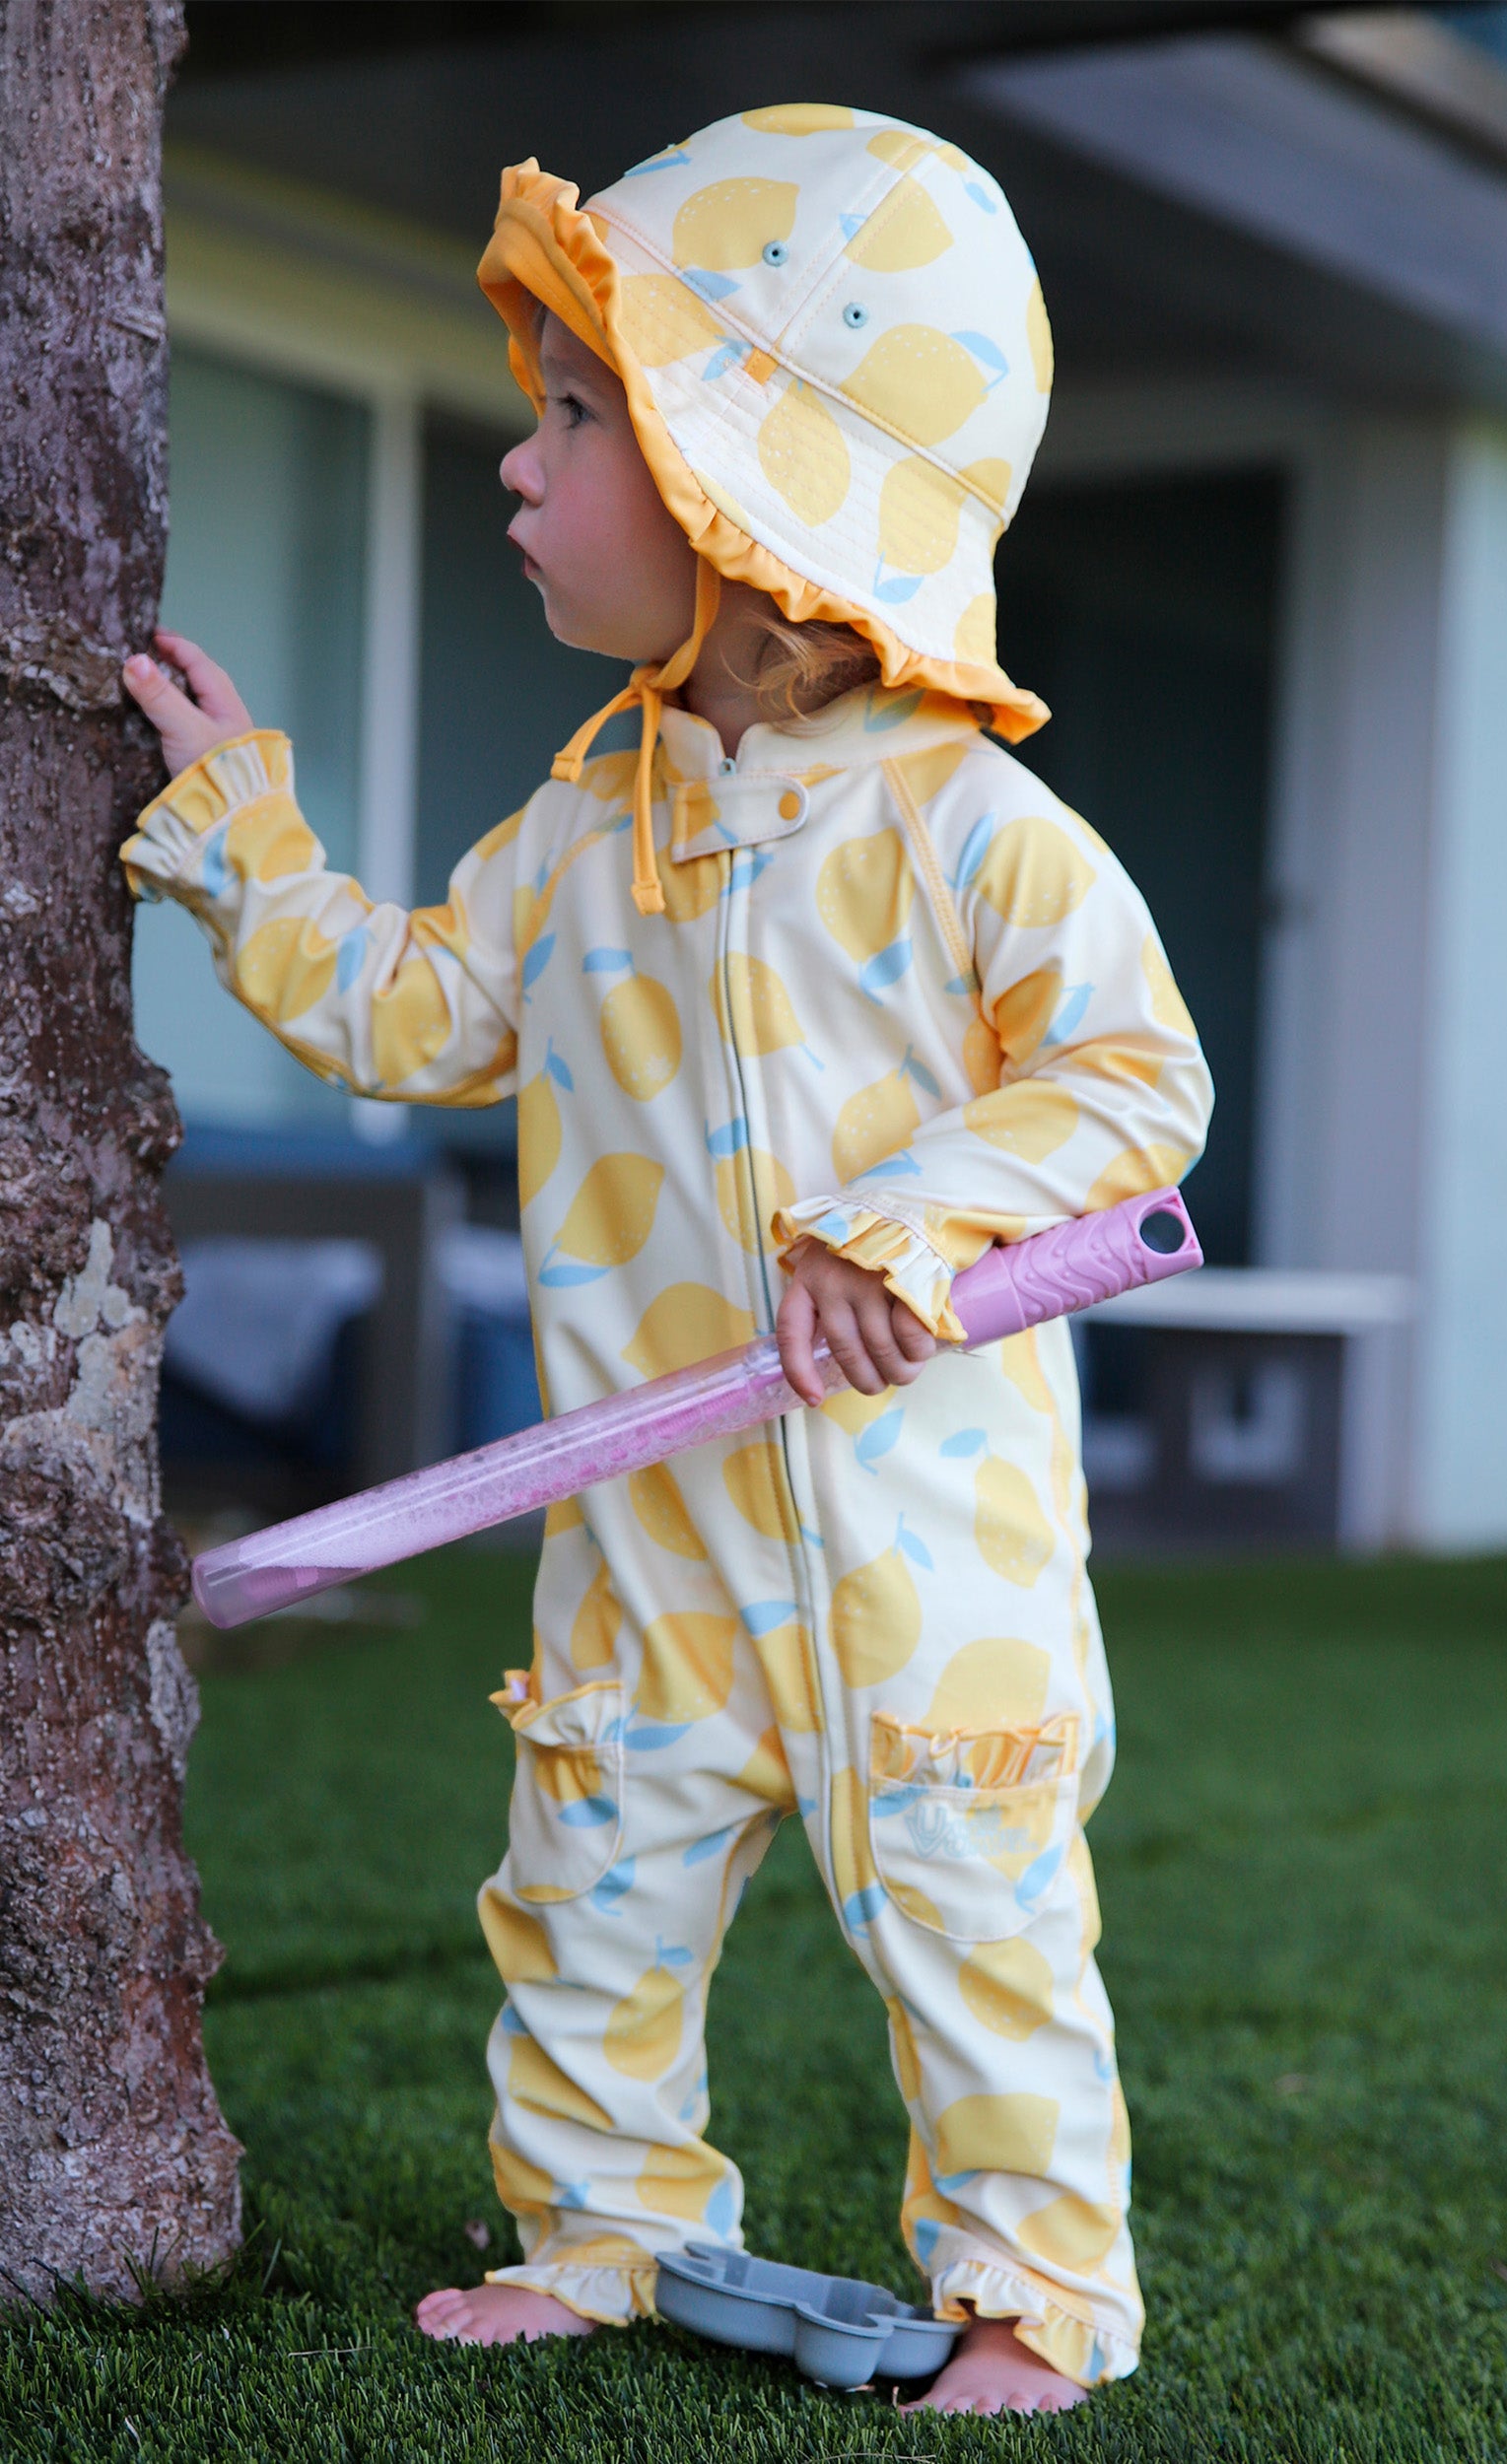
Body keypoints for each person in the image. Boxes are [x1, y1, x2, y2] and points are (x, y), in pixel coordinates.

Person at [122, 104, 1212, 2418]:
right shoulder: (576, 826)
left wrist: (899, 1214)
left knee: (974, 1927)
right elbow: (409, 1011)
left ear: (755, 488)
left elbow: (1135, 1087)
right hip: (650, 1531)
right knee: (586, 1889)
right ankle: (603, 2225)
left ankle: (1029, 2300)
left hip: (931, 1548)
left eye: (576, 416)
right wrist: (246, 845)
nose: (521, 473)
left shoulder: (970, 827)